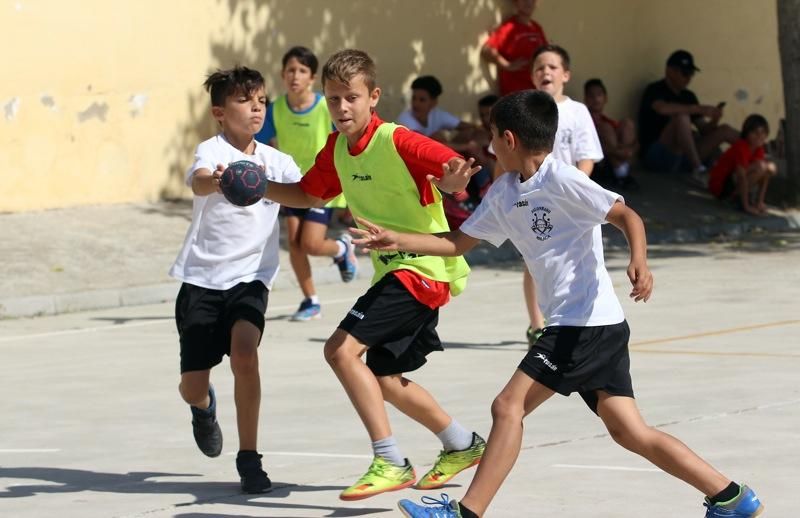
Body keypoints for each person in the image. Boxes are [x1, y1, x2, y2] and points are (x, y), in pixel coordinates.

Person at [348, 90, 764, 518]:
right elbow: (457, 242)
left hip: (582, 323)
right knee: (629, 431)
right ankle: (731, 497)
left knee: (507, 406)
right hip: (595, 325)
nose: (489, 145)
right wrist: (397, 239)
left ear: (508, 139)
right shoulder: (504, 191)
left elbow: (626, 215)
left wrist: (639, 259)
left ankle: (464, 513)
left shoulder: (562, 179)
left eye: (492, 135)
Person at [256, 49, 487, 501]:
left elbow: (450, 170)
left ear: (373, 97)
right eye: (334, 98)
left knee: (341, 351)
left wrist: (455, 181)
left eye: (351, 98)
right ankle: (462, 443)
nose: (342, 108)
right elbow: (306, 193)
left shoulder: (400, 141)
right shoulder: (338, 149)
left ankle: (391, 460)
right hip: (395, 272)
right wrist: (255, 189)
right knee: (384, 377)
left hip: (421, 268)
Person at [168, 66, 302, 494]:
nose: (256, 108)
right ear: (220, 112)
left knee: (245, 355)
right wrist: (222, 180)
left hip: (250, 280)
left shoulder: (277, 162)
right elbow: (199, 183)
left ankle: (249, 459)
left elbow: (311, 192)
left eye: (262, 100)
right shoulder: (211, 151)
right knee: (191, 387)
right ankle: (204, 408)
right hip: (202, 281)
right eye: (245, 101)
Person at [255, 46, 355, 322]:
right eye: (290, 70)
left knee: (310, 243)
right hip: (290, 186)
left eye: (302, 71)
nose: (295, 76)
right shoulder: (275, 109)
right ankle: (311, 300)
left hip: (323, 185)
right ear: (282, 74)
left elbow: (346, 141)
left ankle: (342, 248)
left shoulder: (326, 106)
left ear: (312, 77)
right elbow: (259, 143)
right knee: (296, 245)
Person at [522, 44, 603, 347]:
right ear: (532, 76)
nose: (546, 72)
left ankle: (581, 318)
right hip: (535, 200)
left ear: (565, 75)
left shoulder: (577, 111)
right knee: (533, 261)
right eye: (540, 67)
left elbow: (587, 156)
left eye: (553, 67)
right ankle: (536, 324)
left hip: (570, 201)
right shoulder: (523, 110)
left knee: (581, 257)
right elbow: (505, 156)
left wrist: (576, 189)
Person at [637, 50, 738, 185]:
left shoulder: (688, 96)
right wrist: (698, 108)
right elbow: (662, 108)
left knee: (725, 130)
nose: (688, 78)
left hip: (685, 157)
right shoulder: (654, 89)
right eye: (685, 73)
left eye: (691, 74)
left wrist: (714, 119)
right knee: (682, 118)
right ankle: (699, 170)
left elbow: (704, 130)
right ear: (669, 71)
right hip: (657, 156)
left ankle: (760, 155)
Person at [708, 114, 777, 216]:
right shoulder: (741, 147)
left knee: (768, 168)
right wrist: (746, 207)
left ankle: (749, 201)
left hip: (735, 182)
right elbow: (741, 176)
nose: (759, 136)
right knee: (761, 166)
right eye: (755, 132)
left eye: (763, 132)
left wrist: (760, 202)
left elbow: (764, 175)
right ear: (746, 133)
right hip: (720, 187)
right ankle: (736, 200)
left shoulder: (759, 149)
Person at [481, 0, 548, 96]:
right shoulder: (509, 27)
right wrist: (508, 65)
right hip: (515, 94)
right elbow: (486, 50)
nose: (528, 2)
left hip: (536, 92)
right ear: (515, 2)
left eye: (533, 0)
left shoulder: (536, 28)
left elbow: (545, 53)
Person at [584, 78, 639, 190]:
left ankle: (622, 172)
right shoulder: (583, 120)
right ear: (585, 99)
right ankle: (621, 174)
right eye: (591, 95)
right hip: (598, 166)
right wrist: (618, 152)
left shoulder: (609, 121)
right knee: (605, 128)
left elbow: (637, 144)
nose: (596, 99)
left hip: (617, 158)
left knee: (627, 124)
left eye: (599, 94)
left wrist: (629, 151)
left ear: (605, 98)